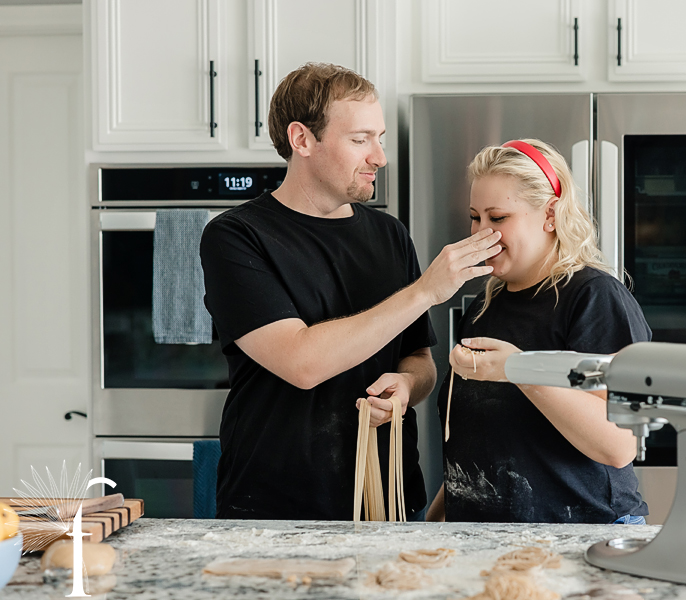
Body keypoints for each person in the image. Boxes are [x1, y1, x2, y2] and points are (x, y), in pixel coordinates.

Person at [199, 62, 502, 520]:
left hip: (388, 501)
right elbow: (302, 363)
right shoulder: (237, 236)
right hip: (274, 506)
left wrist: (406, 388)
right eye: (361, 140)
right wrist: (425, 291)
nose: (379, 157)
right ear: (302, 140)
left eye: (379, 138)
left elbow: (419, 361)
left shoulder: (390, 235)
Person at [428, 139, 652, 524]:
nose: (481, 234)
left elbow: (620, 444)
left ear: (550, 214)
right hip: (483, 542)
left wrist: (520, 370)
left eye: (497, 219)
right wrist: (431, 526)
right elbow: (477, 450)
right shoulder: (484, 307)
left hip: (582, 536)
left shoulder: (593, 297)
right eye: (474, 217)